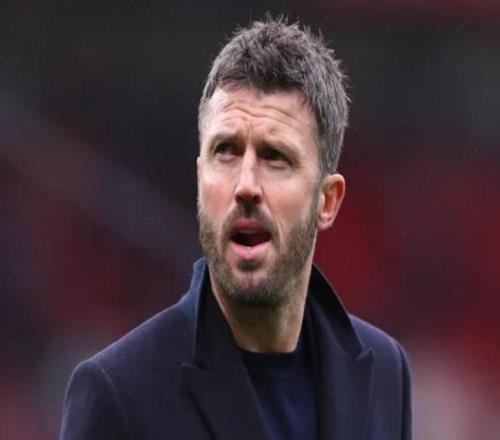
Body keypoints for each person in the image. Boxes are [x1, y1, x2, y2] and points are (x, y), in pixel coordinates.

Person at [60, 17, 412, 440]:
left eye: (275, 156)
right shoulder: (119, 393)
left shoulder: (386, 373)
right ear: (199, 178)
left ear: (327, 200)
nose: (245, 185)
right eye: (225, 151)